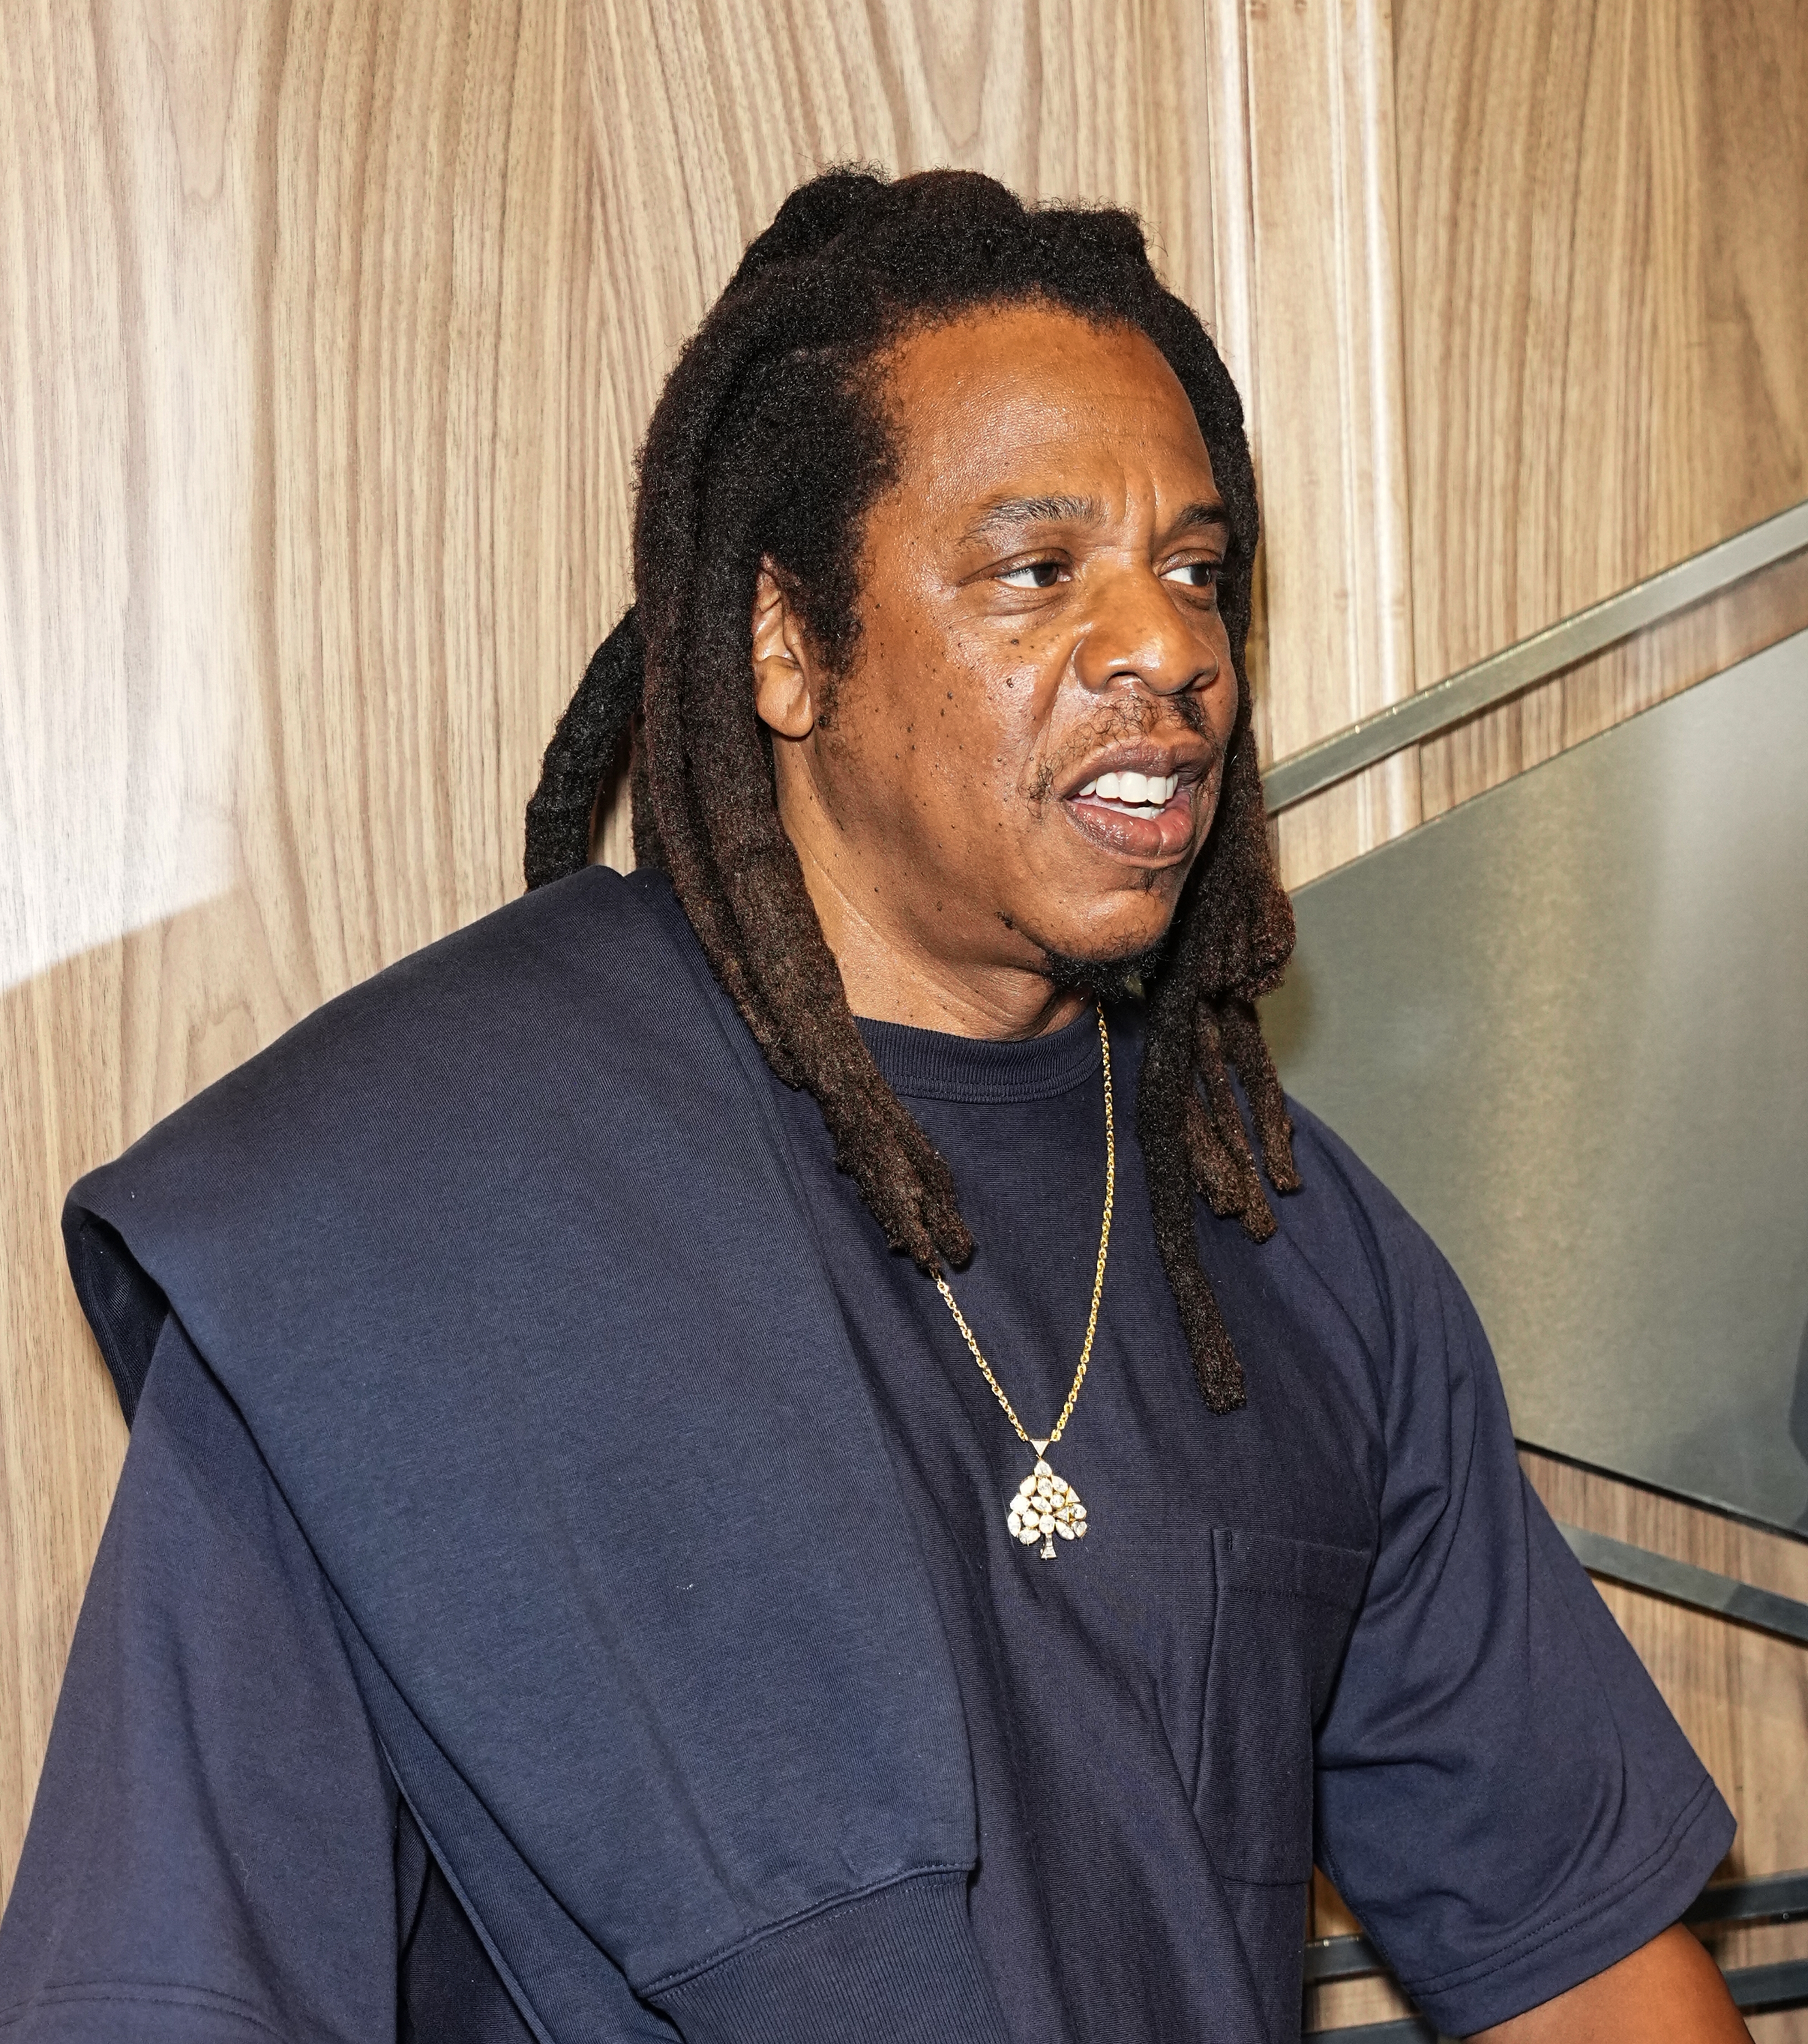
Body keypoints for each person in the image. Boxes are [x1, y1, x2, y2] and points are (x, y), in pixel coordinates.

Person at [0, 169, 1750, 2044]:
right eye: (1037, 567)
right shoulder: (387, 1219)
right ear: (783, 639)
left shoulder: (1295, 1244)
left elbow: (1581, 1967)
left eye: (1193, 568)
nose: (1167, 648)